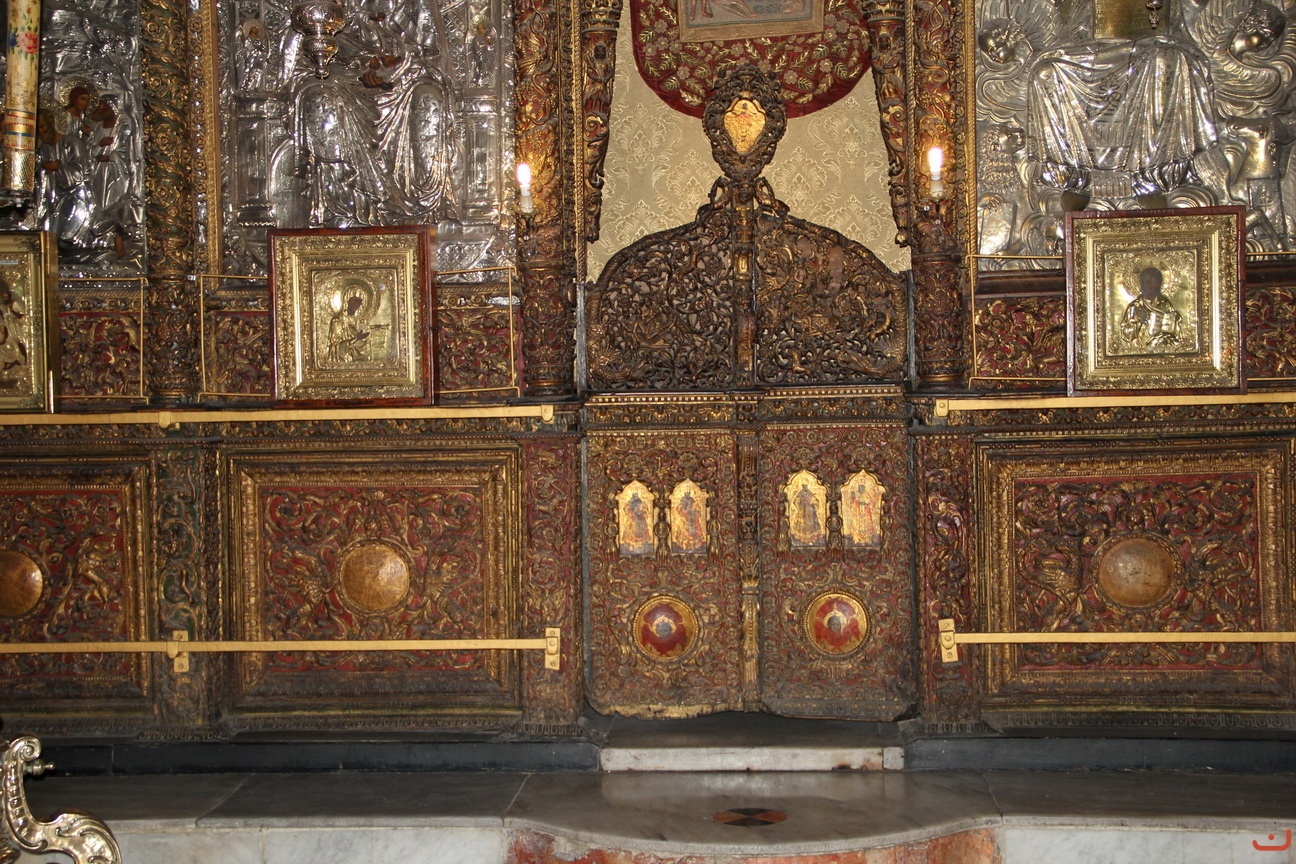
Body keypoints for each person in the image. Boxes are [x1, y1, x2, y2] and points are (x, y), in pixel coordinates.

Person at [1120, 267, 1182, 349]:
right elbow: (1126, 336)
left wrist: (1176, 320)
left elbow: (1176, 336)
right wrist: (1139, 322)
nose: (1150, 286)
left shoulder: (1166, 305)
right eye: (1147, 283)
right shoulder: (1135, 307)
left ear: (1159, 284)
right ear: (1141, 284)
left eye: (1154, 283)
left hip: (1162, 348)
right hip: (1141, 348)